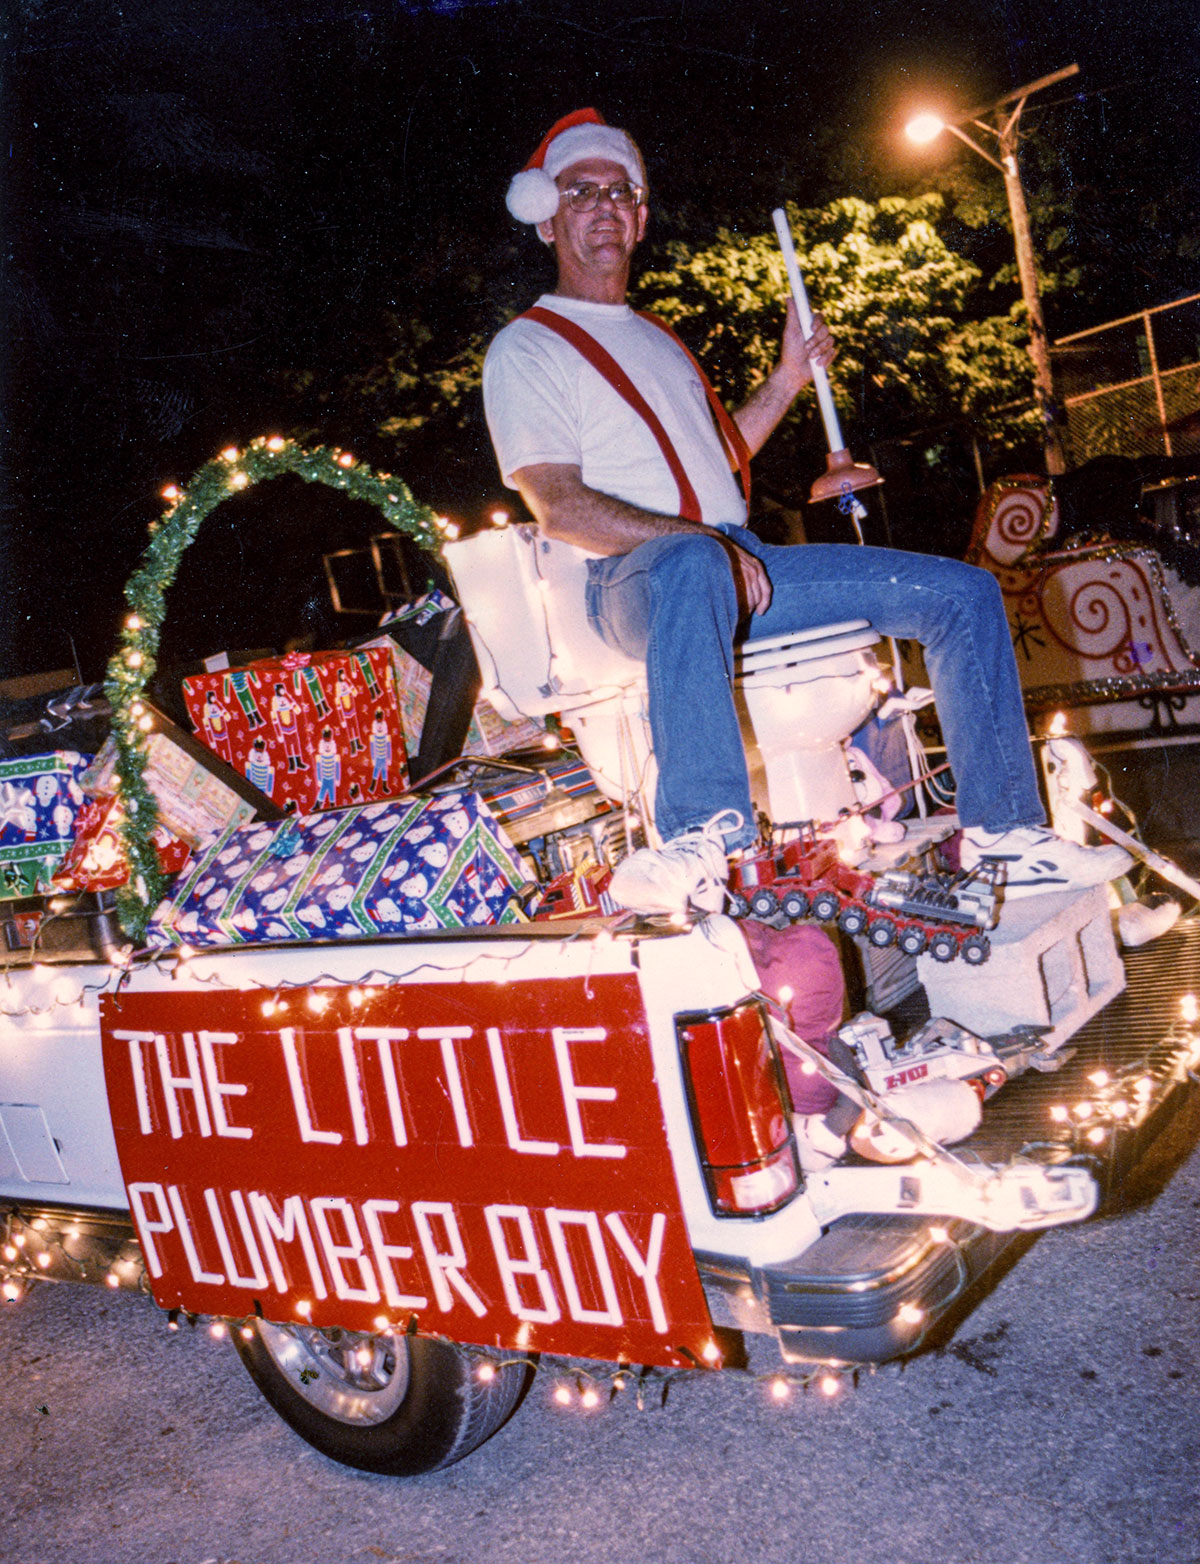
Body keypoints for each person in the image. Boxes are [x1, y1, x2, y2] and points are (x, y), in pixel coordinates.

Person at [483, 108, 1130, 914]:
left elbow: (720, 463)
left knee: (962, 596)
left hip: (732, 557)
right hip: (633, 583)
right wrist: (706, 548)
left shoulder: (658, 339)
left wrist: (788, 378)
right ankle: (700, 835)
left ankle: (1006, 836)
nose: (603, 205)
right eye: (581, 191)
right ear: (547, 216)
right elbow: (560, 506)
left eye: (621, 191)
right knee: (692, 561)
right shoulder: (530, 345)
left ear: (642, 216)